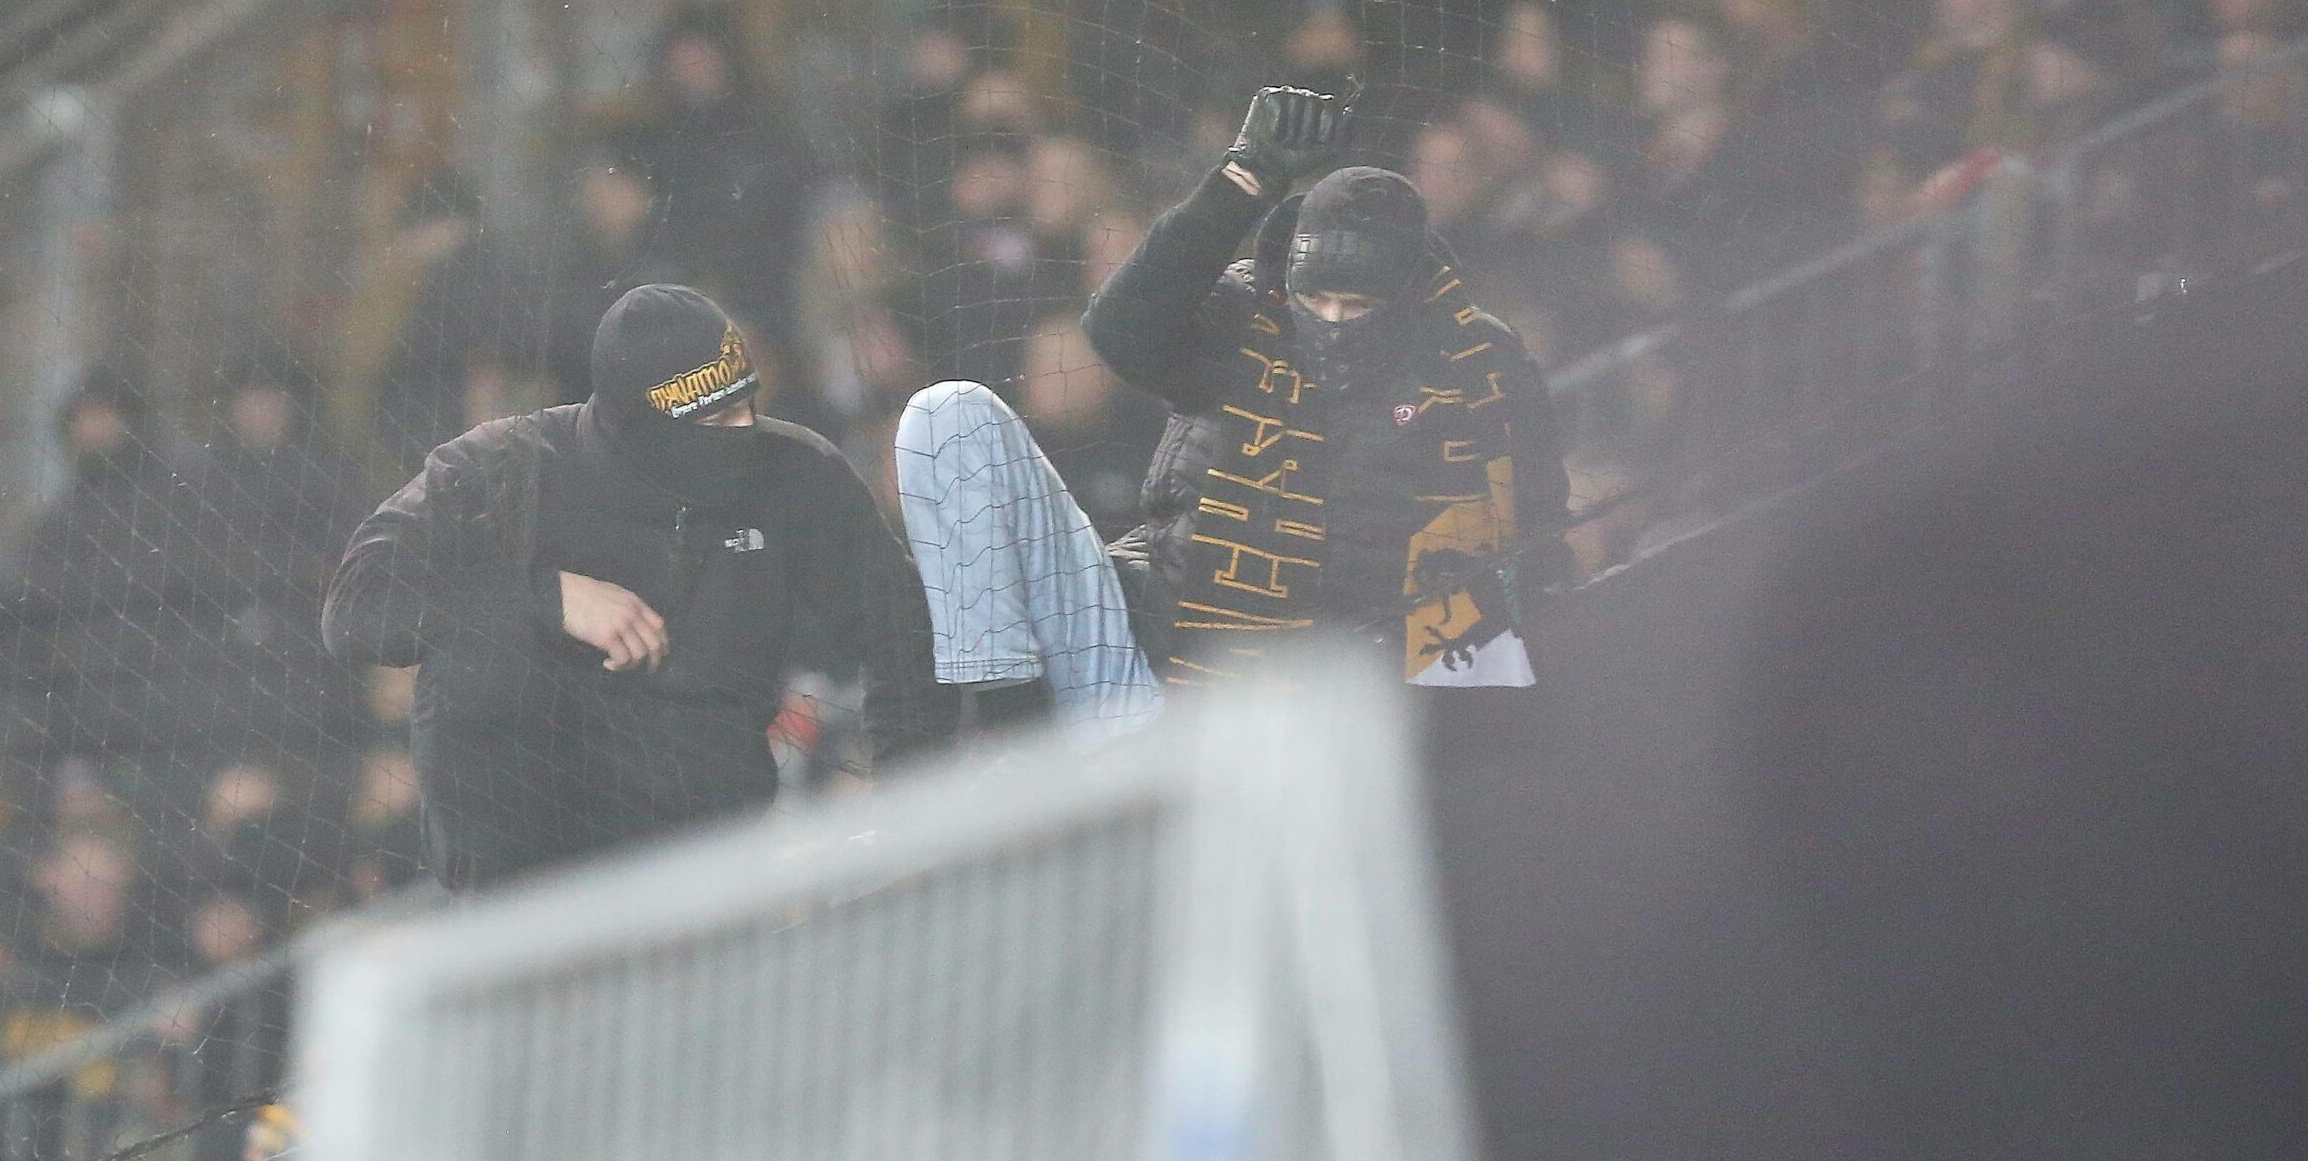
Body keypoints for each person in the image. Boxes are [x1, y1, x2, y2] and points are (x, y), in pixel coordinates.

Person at [894, 85, 1568, 730]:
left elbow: (1536, 540)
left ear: (1404, 295)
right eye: (1316, 298)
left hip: (1300, 716)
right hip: (1132, 664)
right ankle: (1011, 733)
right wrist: (1244, 179)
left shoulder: (1477, 362)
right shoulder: (1247, 307)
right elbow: (1118, 333)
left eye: (1356, 304)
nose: (1332, 319)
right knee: (948, 417)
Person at [323, 283, 953, 891]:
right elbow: (356, 608)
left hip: (708, 839)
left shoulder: (792, 473)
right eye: (714, 419)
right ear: (636, 426)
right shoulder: (509, 468)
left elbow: (901, 634)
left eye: (747, 405)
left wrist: (903, 816)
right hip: (531, 852)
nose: (742, 431)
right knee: (480, 652)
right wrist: (548, 598)